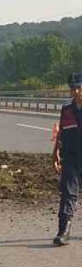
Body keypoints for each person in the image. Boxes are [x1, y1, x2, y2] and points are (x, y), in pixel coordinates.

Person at [52, 73, 82, 244]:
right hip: (71, 156)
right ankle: (64, 230)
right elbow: (61, 131)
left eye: (78, 87)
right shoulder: (67, 109)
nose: (75, 91)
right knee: (68, 193)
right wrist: (55, 151)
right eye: (72, 88)